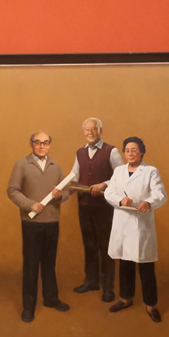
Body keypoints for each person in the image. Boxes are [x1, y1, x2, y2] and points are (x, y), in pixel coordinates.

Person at [7, 132, 70, 322]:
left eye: (45, 143)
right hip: (31, 223)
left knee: (49, 264)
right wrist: (30, 205)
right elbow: (12, 191)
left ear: (49, 145)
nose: (42, 146)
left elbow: (67, 191)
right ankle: (29, 307)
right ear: (31, 144)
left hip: (52, 222)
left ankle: (51, 298)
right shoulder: (21, 164)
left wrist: (61, 195)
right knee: (31, 266)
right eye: (38, 142)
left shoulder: (56, 166)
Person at [104, 136, 166, 322]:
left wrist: (149, 202)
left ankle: (151, 305)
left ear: (142, 152)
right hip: (123, 223)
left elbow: (160, 194)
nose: (130, 153)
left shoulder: (150, 171)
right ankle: (126, 299)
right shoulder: (119, 171)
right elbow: (109, 192)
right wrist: (120, 200)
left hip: (141, 224)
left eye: (134, 150)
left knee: (146, 266)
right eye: (127, 150)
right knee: (125, 264)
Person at [70, 117, 124, 303]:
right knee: (89, 245)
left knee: (105, 247)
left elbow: (121, 177)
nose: (90, 132)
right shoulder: (80, 153)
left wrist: (104, 184)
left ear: (100, 130)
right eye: (87, 129)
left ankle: (108, 288)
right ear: (83, 132)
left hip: (104, 208)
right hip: (84, 206)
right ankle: (91, 281)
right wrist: (68, 185)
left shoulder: (111, 151)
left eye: (94, 129)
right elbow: (74, 175)